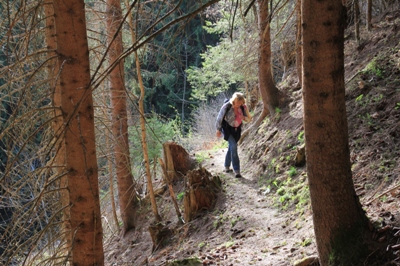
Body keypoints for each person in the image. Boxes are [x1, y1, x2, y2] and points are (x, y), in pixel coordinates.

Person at [215, 92, 252, 178]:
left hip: (237, 130)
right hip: (227, 129)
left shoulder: (243, 107)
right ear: (234, 100)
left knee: (232, 147)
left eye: (241, 102)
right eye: (238, 102)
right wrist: (218, 129)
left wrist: (244, 117)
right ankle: (237, 170)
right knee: (234, 146)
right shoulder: (227, 106)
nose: (239, 104)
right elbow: (219, 118)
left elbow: (249, 119)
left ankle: (226, 165)